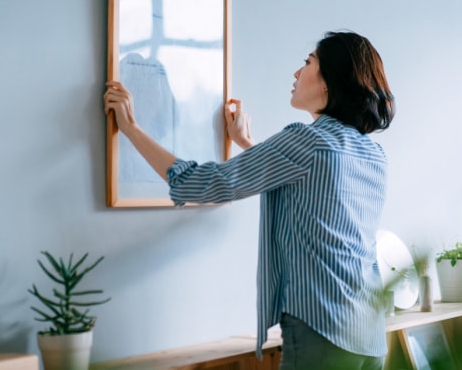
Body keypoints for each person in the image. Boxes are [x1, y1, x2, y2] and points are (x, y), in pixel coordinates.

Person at [104, 30, 395, 370]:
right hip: (369, 335)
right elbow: (309, 185)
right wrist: (246, 142)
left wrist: (131, 127)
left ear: (330, 80)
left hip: (324, 330)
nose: (297, 73)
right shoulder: (372, 152)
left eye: (308, 62)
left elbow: (204, 183)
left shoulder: (306, 141)